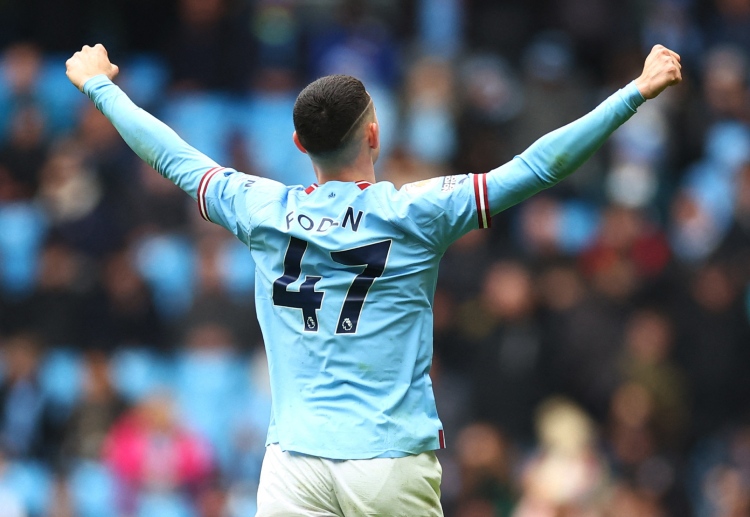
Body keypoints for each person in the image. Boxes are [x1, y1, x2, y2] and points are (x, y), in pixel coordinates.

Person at [65, 43, 681, 516]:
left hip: (294, 461)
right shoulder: (420, 212)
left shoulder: (256, 207)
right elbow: (539, 167)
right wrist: (635, 92)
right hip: (388, 462)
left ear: (299, 143)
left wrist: (99, 87)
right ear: (374, 134)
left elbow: (169, 154)